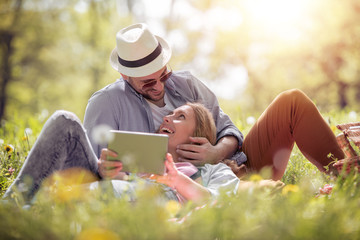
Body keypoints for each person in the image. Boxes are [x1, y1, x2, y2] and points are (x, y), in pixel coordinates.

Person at [2, 103, 241, 205]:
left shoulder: (213, 170)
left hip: (133, 207)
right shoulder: (139, 159)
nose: (167, 117)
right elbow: (124, 189)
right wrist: (111, 173)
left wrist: (177, 180)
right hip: (103, 193)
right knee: (65, 121)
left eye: (180, 117)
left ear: (198, 135)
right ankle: (12, 207)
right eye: (170, 114)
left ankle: (32, 212)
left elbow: (219, 202)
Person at [83, 23, 246, 170]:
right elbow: (92, 167)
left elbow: (229, 130)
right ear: (125, 75)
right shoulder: (106, 103)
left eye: (164, 75)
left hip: (212, 173)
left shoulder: (188, 85)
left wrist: (216, 153)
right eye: (148, 83)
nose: (160, 87)